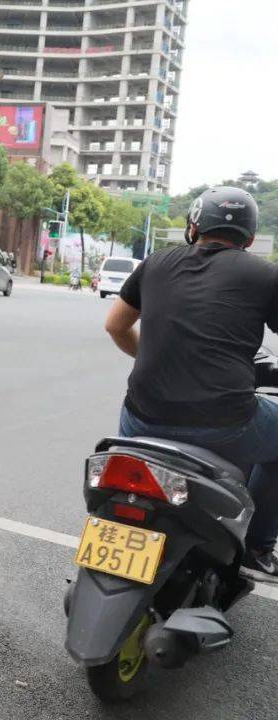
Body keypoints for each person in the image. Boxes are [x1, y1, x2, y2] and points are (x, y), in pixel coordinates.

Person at [105, 186, 278, 580]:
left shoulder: (156, 262)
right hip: (224, 424)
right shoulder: (266, 275)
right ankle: (257, 547)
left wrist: (159, 359)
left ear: (193, 226)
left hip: (141, 419)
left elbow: (114, 325)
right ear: (249, 239)